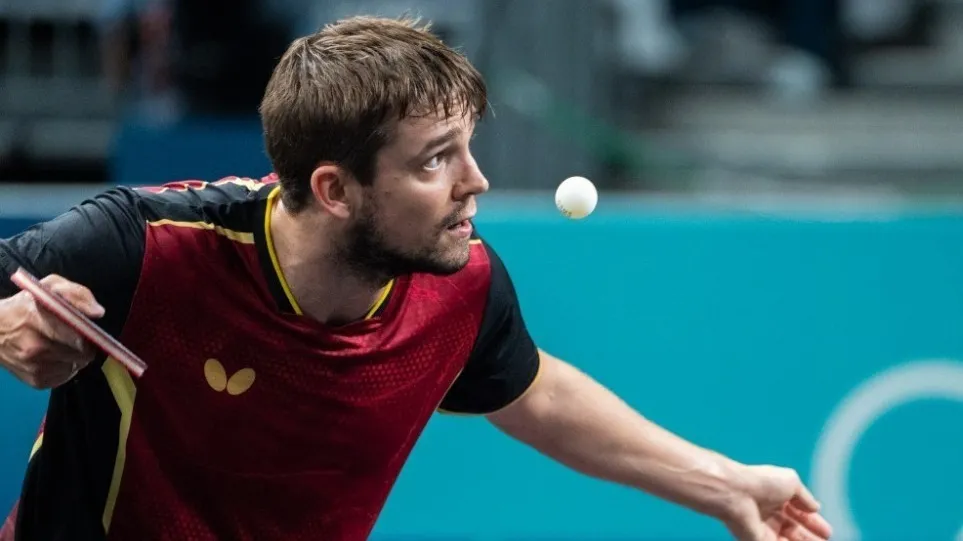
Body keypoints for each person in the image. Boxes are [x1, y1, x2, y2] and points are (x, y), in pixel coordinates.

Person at [0, 16, 832, 541]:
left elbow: (533, 391)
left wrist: (726, 485)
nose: (476, 181)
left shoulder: (461, 287)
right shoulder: (149, 245)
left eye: (468, 147)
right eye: (437, 160)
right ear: (335, 189)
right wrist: (7, 325)